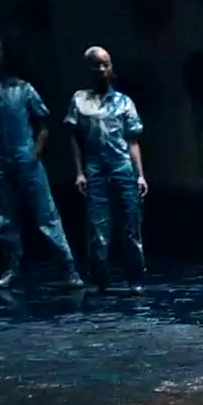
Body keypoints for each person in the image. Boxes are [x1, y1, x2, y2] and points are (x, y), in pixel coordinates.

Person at [0, 32, 84, 290]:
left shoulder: (22, 88)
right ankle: (13, 267)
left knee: (46, 214)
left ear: (6, 54)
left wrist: (36, 151)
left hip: (24, 155)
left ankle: (68, 267)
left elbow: (43, 124)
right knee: (5, 218)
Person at [63, 46, 148, 293]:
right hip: (95, 169)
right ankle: (101, 279)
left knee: (131, 227)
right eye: (96, 65)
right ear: (89, 70)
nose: (101, 69)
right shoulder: (79, 100)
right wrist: (79, 171)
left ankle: (135, 278)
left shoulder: (124, 102)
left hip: (121, 167)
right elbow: (74, 138)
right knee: (98, 229)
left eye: (106, 64)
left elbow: (132, 140)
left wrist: (140, 175)